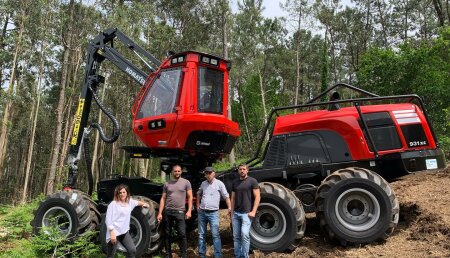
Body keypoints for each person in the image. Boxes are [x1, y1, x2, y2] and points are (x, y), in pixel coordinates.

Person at [157, 164, 193, 258]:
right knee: (167, 234)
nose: (177, 172)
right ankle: (168, 254)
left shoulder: (186, 182)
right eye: (175, 171)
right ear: (172, 172)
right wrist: (160, 213)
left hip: (180, 212)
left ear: (181, 171)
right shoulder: (167, 184)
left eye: (179, 171)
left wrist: (189, 211)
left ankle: (183, 254)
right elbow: (163, 198)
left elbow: (190, 197)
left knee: (182, 233)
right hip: (168, 211)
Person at [105, 184, 149, 258]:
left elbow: (137, 202)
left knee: (132, 250)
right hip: (114, 233)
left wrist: (144, 204)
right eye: (120, 192)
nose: (122, 194)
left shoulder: (129, 202)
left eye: (124, 192)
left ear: (127, 193)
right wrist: (112, 232)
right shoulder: (113, 204)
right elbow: (108, 220)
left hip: (124, 232)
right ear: (118, 194)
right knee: (111, 255)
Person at [196, 166, 231, 258]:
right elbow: (198, 194)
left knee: (215, 235)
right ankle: (201, 254)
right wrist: (197, 206)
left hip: (213, 213)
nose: (208, 175)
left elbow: (226, 196)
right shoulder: (203, 183)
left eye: (210, 173)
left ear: (214, 173)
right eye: (206, 173)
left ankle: (218, 255)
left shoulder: (219, 184)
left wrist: (229, 208)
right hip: (202, 212)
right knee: (201, 235)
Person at [231, 163, 261, 258]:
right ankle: (237, 255)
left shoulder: (252, 181)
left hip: (246, 214)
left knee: (244, 235)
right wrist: (232, 213)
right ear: (238, 171)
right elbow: (233, 199)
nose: (242, 171)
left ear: (247, 170)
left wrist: (253, 211)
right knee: (236, 237)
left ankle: (245, 256)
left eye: (244, 169)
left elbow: (257, 197)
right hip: (236, 213)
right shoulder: (235, 182)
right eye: (240, 169)